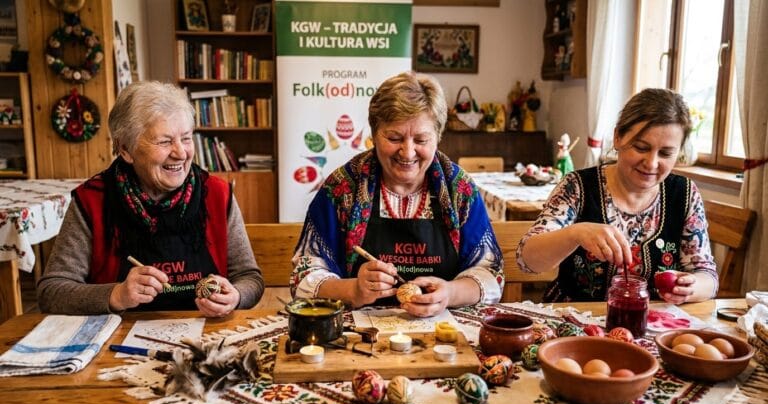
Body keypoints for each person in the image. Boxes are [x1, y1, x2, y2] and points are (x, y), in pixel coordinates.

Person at [37, 81, 264, 316]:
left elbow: (249, 278)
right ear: (125, 149)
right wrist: (115, 295)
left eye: (186, 138)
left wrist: (236, 296)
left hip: (207, 336)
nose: (181, 153)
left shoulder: (216, 194)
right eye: (164, 142)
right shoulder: (92, 200)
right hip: (117, 340)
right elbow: (51, 292)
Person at [290, 72, 504, 317]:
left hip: (444, 335)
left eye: (421, 139)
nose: (407, 152)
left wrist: (450, 293)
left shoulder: (459, 190)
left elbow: (490, 275)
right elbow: (303, 280)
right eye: (394, 137)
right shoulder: (342, 189)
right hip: (359, 338)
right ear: (373, 135)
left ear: (438, 138)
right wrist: (354, 290)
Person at [517, 88, 717, 304]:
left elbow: (706, 275)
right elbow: (528, 260)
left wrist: (691, 287)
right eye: (641, 148)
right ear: (618, 138)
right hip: (577, 321)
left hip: (654, 324)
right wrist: (575, 233)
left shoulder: (684, 194)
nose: (651, 163)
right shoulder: (577, 187)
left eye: (666, 153)